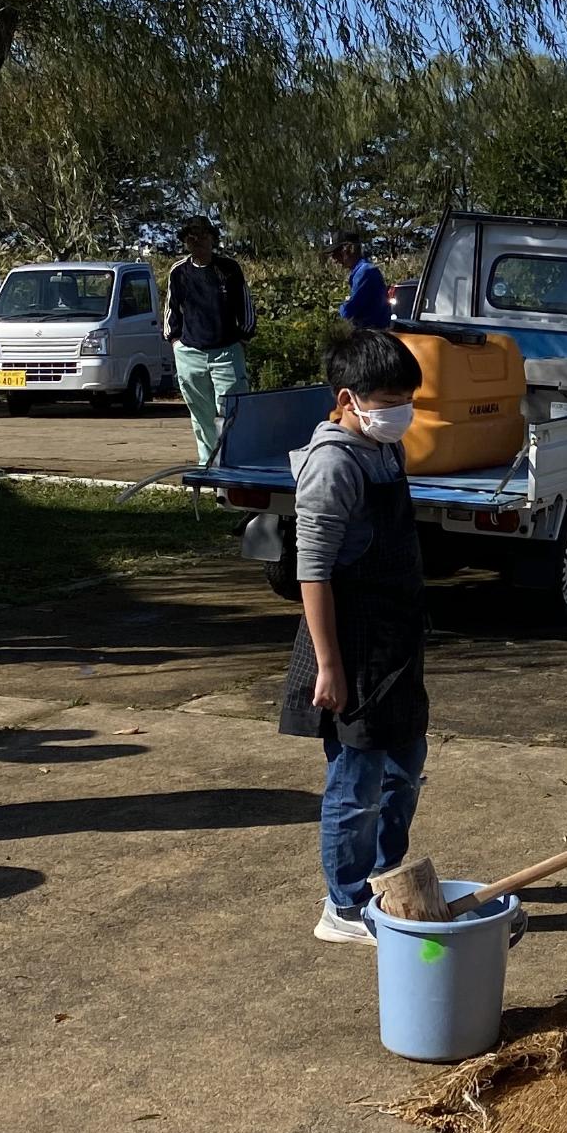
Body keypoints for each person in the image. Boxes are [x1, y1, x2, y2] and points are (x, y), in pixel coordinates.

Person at [277, 329, 430, 946]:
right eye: (391, 399)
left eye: (407, 398)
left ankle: (385, 881)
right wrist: (330, 665)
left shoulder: (383, 450)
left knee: (405, 770)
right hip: (352, 644)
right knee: (357, 781)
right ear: (349, 398)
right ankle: (343, 905)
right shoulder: (333, 464)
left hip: (396, 640)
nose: (403, 412)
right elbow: (311, 569)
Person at [164, 215, 256, 466]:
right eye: (191, 237)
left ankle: (234, 462)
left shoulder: (228, 269)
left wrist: (243, 339)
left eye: (203, 236)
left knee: (232, 411)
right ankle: (208, 466)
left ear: (213, 239)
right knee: (201, 415)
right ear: (185, 241)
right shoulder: (179, 271)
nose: (197, 241)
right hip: (190, 353)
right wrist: (175, 341)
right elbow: (172, 310)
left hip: (227, 352)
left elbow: (245, 307)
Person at [331, 231, 393, 330]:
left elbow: (348, 312)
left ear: (350, 249)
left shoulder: (365, 273)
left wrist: (341, 308)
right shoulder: (363, 271)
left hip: (371, 335)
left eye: (337, 254)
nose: (334, 259)